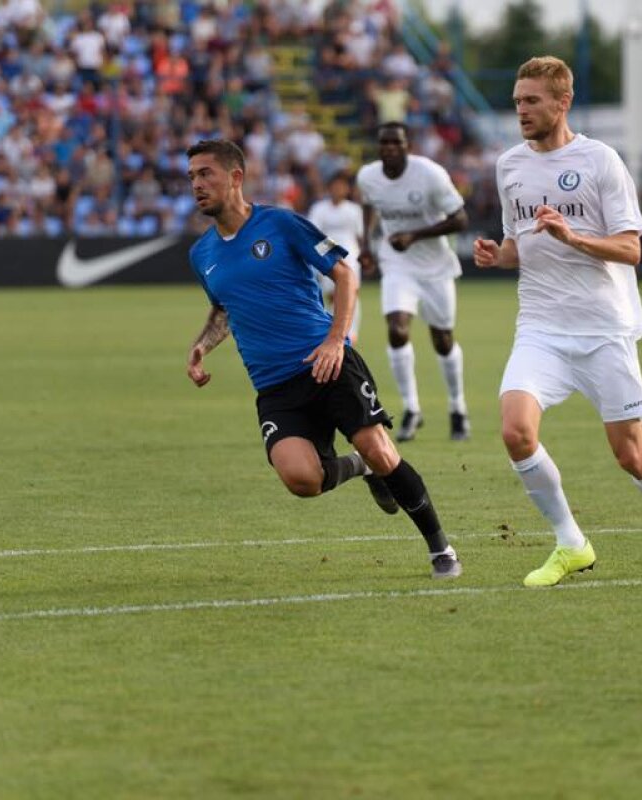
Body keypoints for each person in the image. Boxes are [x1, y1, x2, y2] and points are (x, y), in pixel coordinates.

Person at [183, 139, 461, 579]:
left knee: (380, 448)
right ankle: (360, 468)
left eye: (205, 174)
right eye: (192, 177)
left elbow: (345, 274)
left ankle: (440, 547)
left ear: (235, 177)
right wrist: (202, 345)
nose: (197, 184)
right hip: (274, 385)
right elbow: (223, 309)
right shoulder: (202, 254)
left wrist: (336, 340)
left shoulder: (281, 224)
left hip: (325, 361)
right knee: (301, 480)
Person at [472, 56, 642, 586]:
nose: (521, 111)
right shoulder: (509, 166)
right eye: (517, 101)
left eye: (532, 101)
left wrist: (573, 238)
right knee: (515, 431)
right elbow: (519, 245)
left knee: (631, 455)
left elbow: (631, 248)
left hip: (604, 330)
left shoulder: (601, 161)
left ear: (562, 101)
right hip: (541, 327)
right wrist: (497, 255)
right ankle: (570, 543)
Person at [357, 122, 471, 442]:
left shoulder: (430, 174)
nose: (390, 148)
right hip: (396, 263)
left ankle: (457, 407)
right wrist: (367, 245)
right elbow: (368, 205)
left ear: (408, 146)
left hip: (435, 267)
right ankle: (411, 409)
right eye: (385, 143)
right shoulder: (368, 176)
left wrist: (415, 235)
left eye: (397, 142)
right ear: (379, 148)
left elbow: (461, 219)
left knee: (443, 340)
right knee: (396, 329)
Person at [307, 171, 365, 340]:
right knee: (333, 294)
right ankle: (334, 329)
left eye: (342, 186)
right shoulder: (319, 208)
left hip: (351, 251)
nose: (338, 189)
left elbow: (360, 235)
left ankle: (350, 332)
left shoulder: (354, 210)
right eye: (335, 186)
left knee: (352, 290)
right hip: (327, 251)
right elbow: (314, 233)